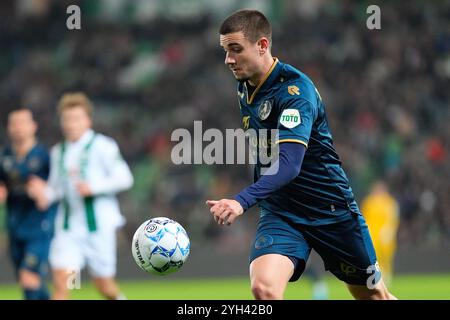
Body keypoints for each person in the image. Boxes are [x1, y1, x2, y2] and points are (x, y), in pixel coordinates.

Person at [206, 9, 396, 300]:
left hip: (329, 210)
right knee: (264, 289)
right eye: (225, 51)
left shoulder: (295, 93)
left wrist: (241, 201)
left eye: (235, 50)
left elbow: (290, 165)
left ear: (262, 45)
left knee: (373, 297)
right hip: (282, 211)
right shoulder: (244, 86)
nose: (228, 60)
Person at [27, 92, 133, 300]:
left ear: (88, 120)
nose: (70, 124)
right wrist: (43, 193)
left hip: (98, 228)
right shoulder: (58, 152)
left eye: (76, 118)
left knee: (104, 286)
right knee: (64, 285)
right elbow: (56, 189)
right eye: (66, 119)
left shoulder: (103, 146)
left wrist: (94, 187)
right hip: (68, 230)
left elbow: (125, 178)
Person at [0, 108, 56, 300]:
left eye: (22, 123)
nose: (18, 128)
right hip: (15, 228)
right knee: (28, 283)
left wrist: (45, 192)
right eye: (13, 123)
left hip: (39, 228)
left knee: (29, 277)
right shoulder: (4, 156)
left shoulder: (45, 157)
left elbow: (58, 187)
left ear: (33, 126)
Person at [361, 180, 400, 286]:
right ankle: (375, 277)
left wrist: (389, 230)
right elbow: (364, 218)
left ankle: (386, 277)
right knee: (373, 257)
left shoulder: (390, 202)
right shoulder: (369, 202)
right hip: (372, 235)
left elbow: (393, 218)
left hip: (384, 236)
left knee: (386, 257)